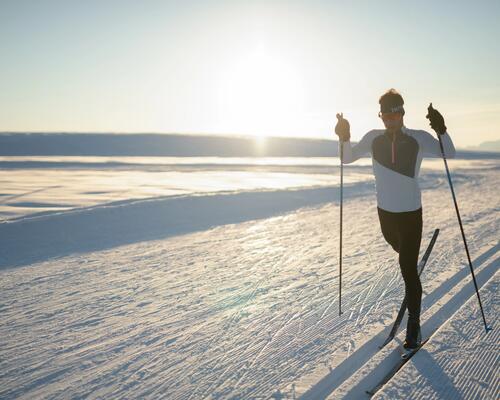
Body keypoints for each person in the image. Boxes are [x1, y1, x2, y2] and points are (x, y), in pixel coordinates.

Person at [334, 89, 455, 349]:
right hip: (385, 214)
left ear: (402, 113)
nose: (390, 119)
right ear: (381, 116)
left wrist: (441, 129)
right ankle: (410, 262)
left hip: (411, 213)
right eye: (385, 115)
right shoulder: (373, 139)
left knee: (407, 269)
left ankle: (414, 324)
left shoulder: (418, 139)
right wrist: (344, 136)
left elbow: (449, 153)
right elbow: (346, 158)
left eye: (394, 114)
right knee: (401, 254)